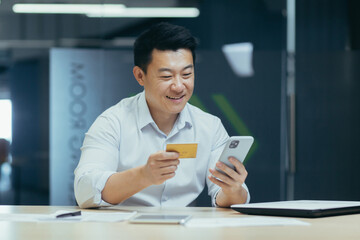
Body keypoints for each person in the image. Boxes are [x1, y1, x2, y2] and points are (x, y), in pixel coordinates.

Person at [74, 22, 250, 208]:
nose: (179, 86)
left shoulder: (210, 126)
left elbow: (224, 198)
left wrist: (233, 190)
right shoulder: (112, 122)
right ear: (140, 76)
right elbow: (85, 191)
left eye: (187, 74)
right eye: (166, 76)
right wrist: (143, 176)